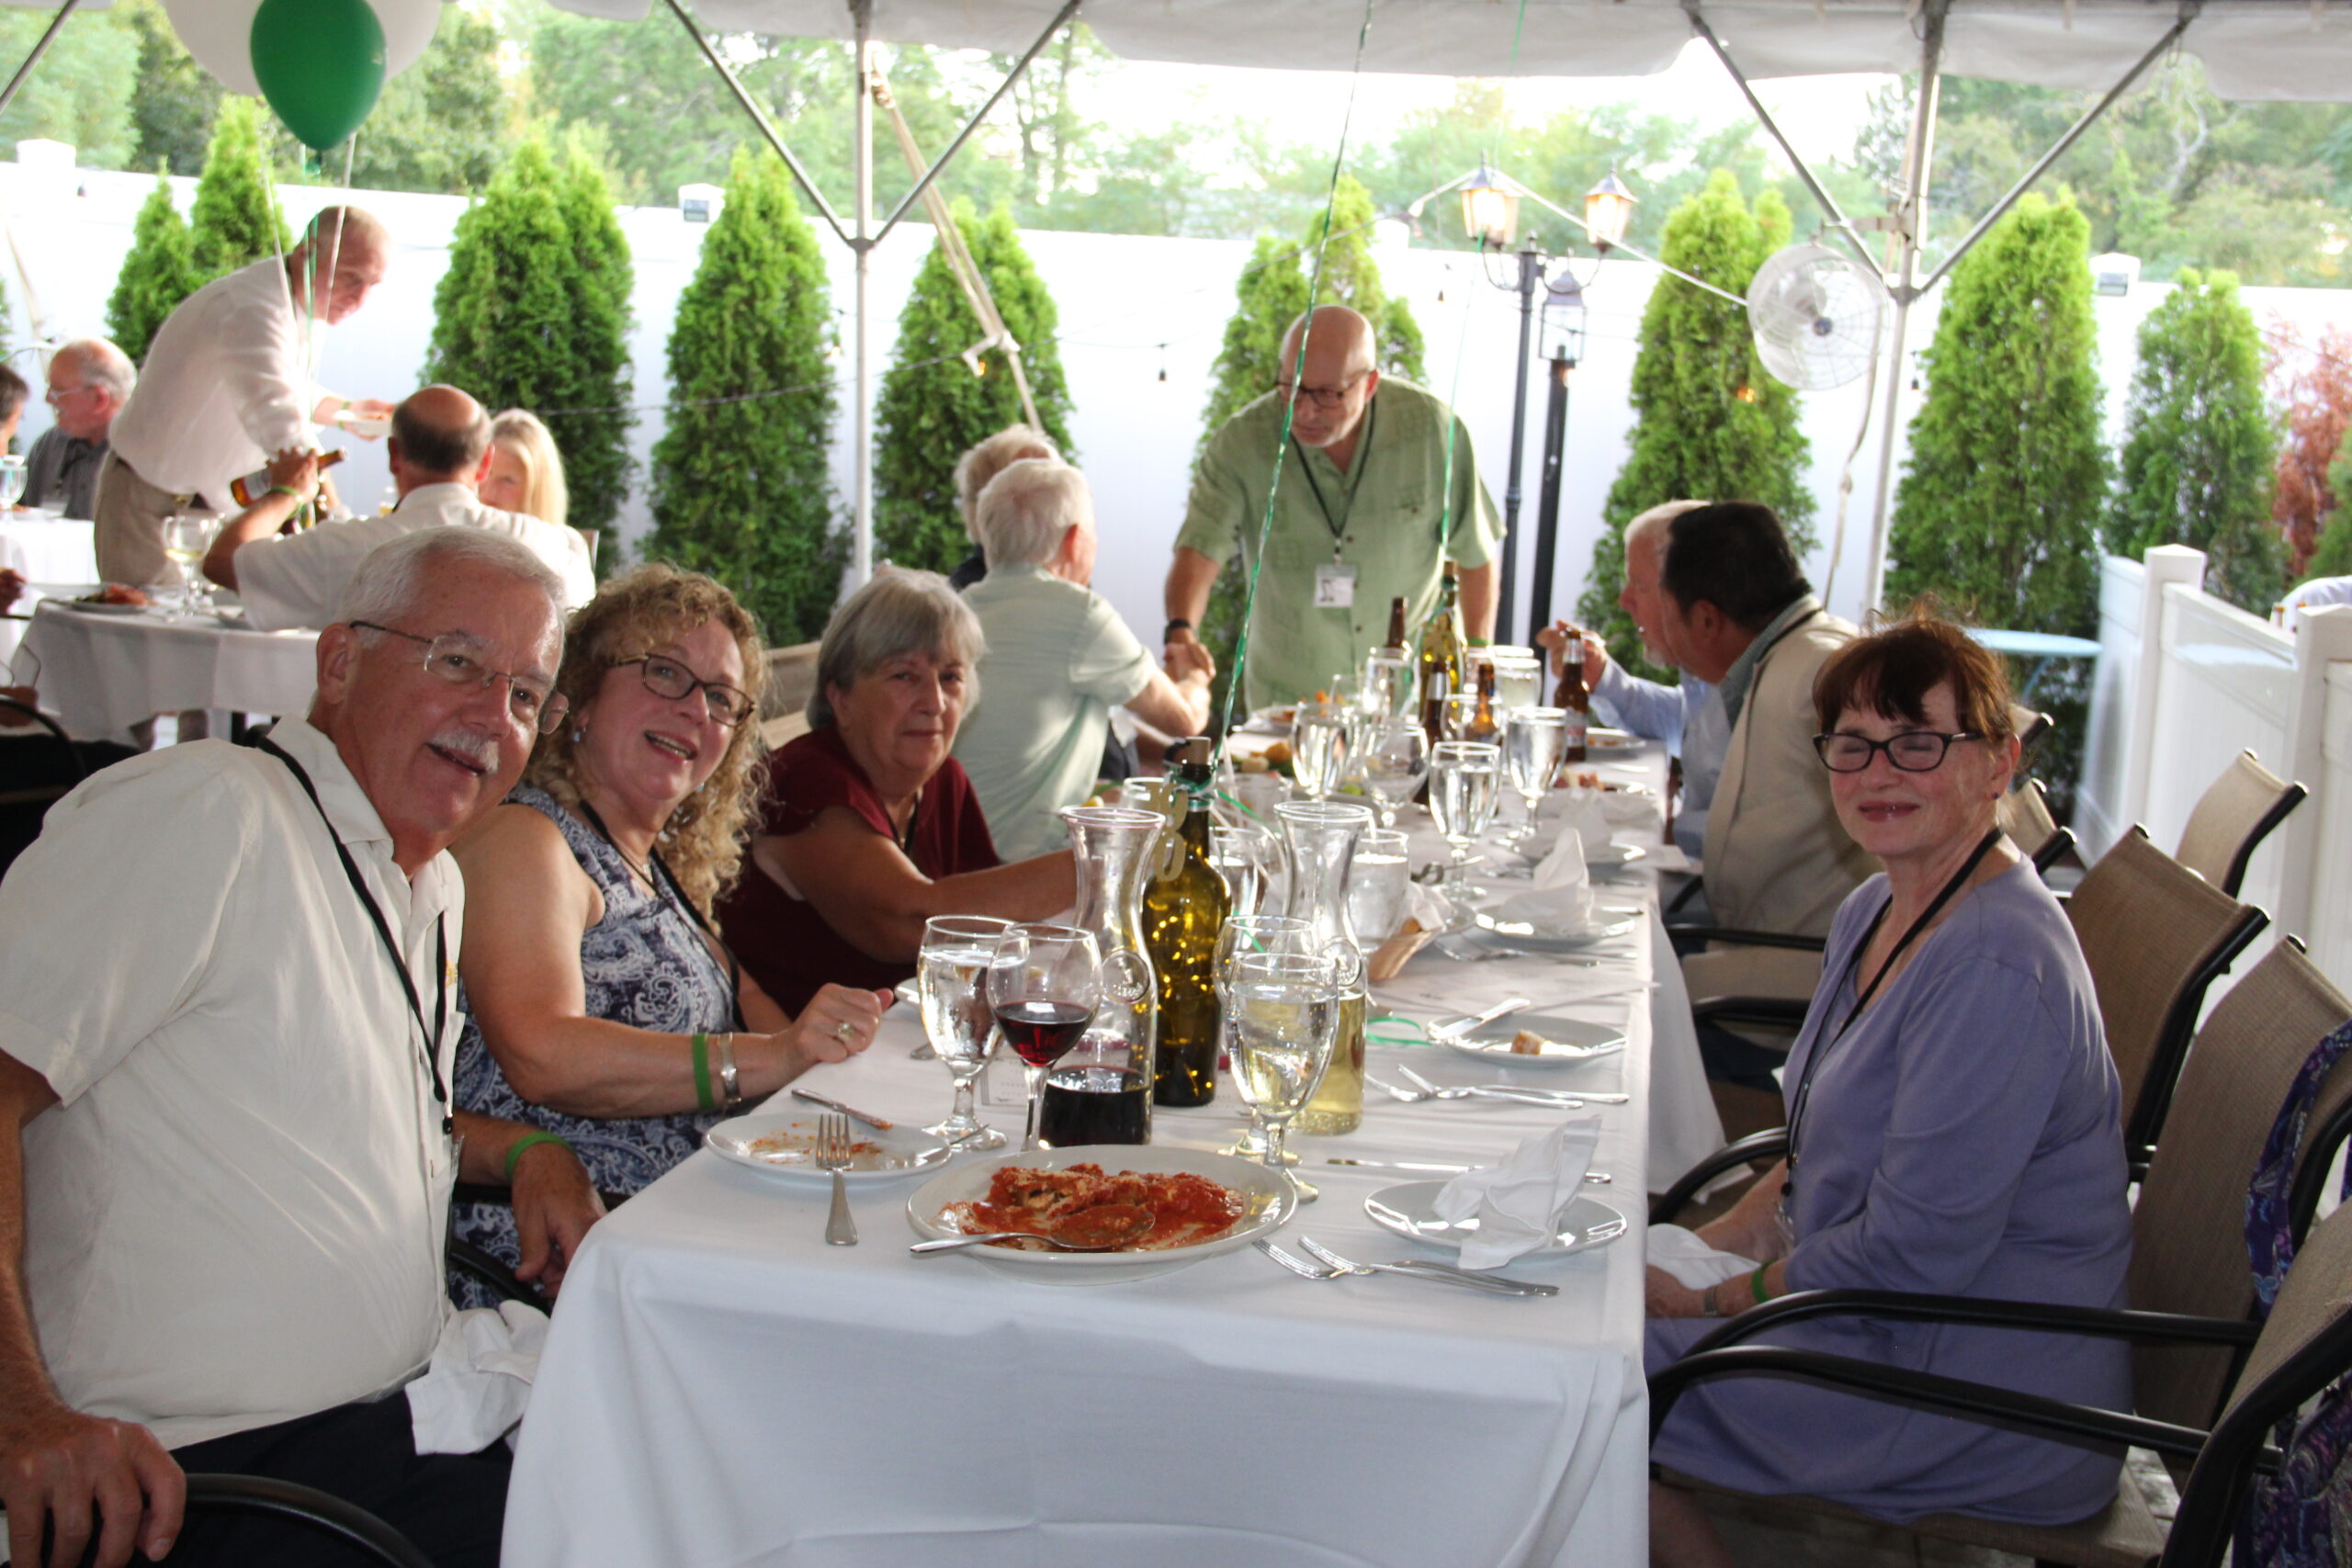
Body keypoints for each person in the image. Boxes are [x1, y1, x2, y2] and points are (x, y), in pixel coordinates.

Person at [0, 526, 609, 1568]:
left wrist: (525, 1149)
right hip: (200, 1479)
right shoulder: (208, 808)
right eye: (457, 662)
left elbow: (341, 1100)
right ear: (339, 660)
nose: (490, 715)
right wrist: (22, 1413)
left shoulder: (427, 881)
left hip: (394, 1426)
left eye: (523, 694)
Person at [1644, 611, 2131, 1565]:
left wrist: (1710, 1301)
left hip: (1979, 1388)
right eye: (1853, 744)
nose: (1877, 773)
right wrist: (1699, 1249)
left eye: (1917, 743)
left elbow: (1913, 1255)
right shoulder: (1879, 906)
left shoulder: (1994, 962)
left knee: (1592, 1373)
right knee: (1584, 1306)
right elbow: (1813, 1152)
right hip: (1884, 1320)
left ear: (1996, 763)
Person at [449, 564, 888, 1298]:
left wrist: (853, 1043)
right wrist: (773, 1057)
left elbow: (771, 1028)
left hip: (676, 1247)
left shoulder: (655, 873)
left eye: (721, 698)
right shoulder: (527, 838)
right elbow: (540, 1051)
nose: (694, 710)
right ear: (582, 692)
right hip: (560, 1271)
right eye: (664, 673)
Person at [718, 568, 1077, 1013]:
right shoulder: (805, 780)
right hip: (796, 1049)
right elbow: (912, 920)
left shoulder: (944, 782)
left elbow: (989, 927)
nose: (935, 702)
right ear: (841, 698)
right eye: (904, 676)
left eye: (951, 677)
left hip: (901, 1037)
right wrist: (1103, 858)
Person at [1165, 304, 1503, 710]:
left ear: (1370, 383)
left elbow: (1476, 552)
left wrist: (1478, 657)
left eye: (1328, 395)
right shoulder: (1244, 441)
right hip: (1289, 696)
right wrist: (1181, 628)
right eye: (1291, 387)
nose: (1305, 411)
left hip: (1410, 697)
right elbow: (1200, 547)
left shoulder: (1432, 431)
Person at [97, 206, 396, 585]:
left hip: (212, 508)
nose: (360, 298)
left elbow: (282, 384)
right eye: (351, 277)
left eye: (373, 285)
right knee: (148, 622)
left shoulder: (300, 302)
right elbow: (273, 408)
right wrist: (333, 514)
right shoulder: (252, 307)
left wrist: (346, 411)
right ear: (306, 254)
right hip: (151, 505)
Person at [953, 459, 1213, 859]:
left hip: (953, 858)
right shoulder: (1080, 614)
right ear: (1075, 539)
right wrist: (1195, 677)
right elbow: (1183, 720)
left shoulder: (958, 609)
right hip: (1026, 867)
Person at [203, 385, 596, 629]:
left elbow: (222, 561)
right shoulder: (559, 548)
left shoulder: (341, 549)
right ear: (485, 463)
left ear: (394, 455)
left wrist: (287, 492)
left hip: (372, 739)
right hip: (507, 735)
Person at [1661, 502, 1873, 938]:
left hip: (1800, 961)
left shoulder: (1822, 671)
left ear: (1705, 619)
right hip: (1762, 937)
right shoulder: (1797, 656)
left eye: (1667, 615)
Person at [1539, 499, 1724, 858]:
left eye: (1638, 585)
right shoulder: (1707, 675)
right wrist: (1602, 677)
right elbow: (1683, 722)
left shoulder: (1755, 687)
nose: (1623, 600)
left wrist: (1661, 828)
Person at [22, 338, 133, 518]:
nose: (48, 399)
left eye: (58, 391)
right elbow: (20, 514)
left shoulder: (143, 454)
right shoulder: (49, 445)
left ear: (99, 399)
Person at [481, 407, 570, 525]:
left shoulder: (557, 537)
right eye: (487, 473)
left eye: (507, 480)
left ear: (537, 489)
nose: (490, 490)